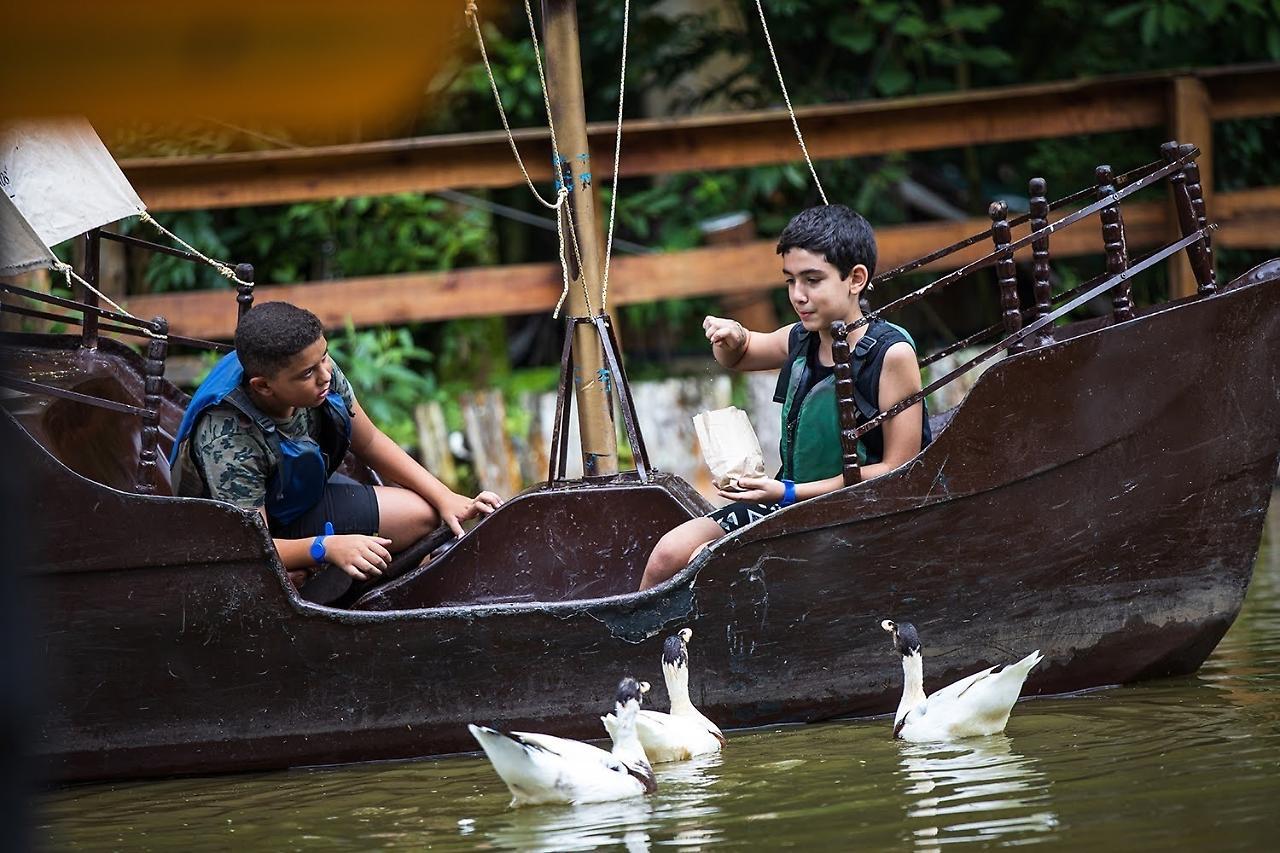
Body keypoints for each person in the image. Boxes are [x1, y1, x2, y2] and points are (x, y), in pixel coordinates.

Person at [639, 204, 931, 590]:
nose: (798, 295)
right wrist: (732, 336)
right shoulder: (801, 338)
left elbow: (899, 468)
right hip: (789, 500)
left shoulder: (890, 354)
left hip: (853, 510)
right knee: (667, 554)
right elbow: (740, 356)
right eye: (790, 281)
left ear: (855, 278)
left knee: (704, 564)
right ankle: (643, 649)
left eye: (812, 280)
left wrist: (788, 491)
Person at [170, 302, 501, 590]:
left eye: (325, 358)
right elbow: (249, 547)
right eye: (308, 373)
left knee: (423, 515)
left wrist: (446, 497)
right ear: (264, 387)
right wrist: (324, 548)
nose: (325, 375)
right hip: (235, 537)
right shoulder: (228, 440)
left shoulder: (317, 371)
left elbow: (369, 440)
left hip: (296, 498)